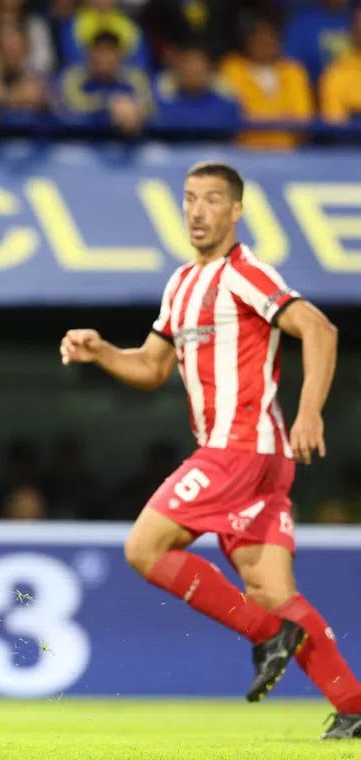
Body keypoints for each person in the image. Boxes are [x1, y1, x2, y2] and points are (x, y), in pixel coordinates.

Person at [60, 161, 361, 740]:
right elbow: (151, 367)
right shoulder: (180, 284)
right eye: (190, 199)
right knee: (274, 593)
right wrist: (102, 352)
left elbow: (320, 329)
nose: (198, 211)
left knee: (144, 547)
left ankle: (265, 634)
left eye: (212, 200)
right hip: (258, 459)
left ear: (236, 210)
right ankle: (352, 704)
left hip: (239, 446)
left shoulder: (246, 274)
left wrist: (310, 411)